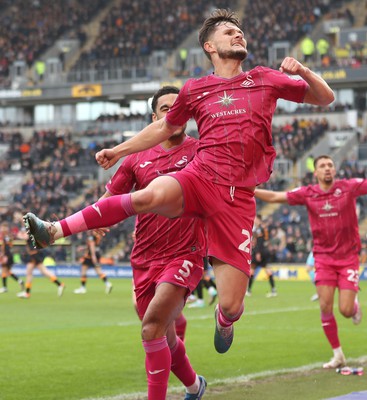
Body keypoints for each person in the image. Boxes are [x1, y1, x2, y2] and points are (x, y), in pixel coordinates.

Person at [23, 9, 334, 358]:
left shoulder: (265, 78)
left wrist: (304, 71)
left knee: (232, 305)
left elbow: (325, 98)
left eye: (240, 31)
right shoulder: (195, 89)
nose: (238, 35)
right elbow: (162, 128)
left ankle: (225, 319)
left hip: (237, 201)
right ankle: (53, 230)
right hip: (200, 178)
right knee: (146, 196)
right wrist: (118, 150)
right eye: (229, 32)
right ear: (209, 46)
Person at [95, 86, 207, 399]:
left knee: (151, 329)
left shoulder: (201, 151)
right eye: (166, 108)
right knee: (165, 339)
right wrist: (95, 222)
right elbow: (110, 199)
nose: (174, 112)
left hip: (186, 253)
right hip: (145, 257)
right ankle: (195, 386)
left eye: (178, 107)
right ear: (155, 117)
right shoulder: (136, 159)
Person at [254, 155, 363, 369]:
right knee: (324, 305)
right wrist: (249, 190)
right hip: (323, 258)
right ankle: (338, 354)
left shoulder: (348, 187)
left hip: (348, 257)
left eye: (330, 165)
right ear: (316, 172)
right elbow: (276, 197)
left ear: (335, 169)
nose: (327, 168)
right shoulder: (308, 193)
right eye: (322, 166)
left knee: (346, 310)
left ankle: (354, 306)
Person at [247, 214, 277, 298]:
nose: (254, 220)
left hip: (261, 252)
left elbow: (260, 241)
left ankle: (248, 290)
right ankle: (274, 290)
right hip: (265, 251)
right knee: (268, 270)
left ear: (259, 220)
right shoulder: (264, 228)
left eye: (256, 219)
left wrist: (258, 253)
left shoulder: (260, 229)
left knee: (252, 270)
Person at [0, 222, 24, 294]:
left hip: (7, 255)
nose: (2, 229)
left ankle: (5, 287)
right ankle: (19, 281)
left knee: (4, 271)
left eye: (3, 227)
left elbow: (6, 247)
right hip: (7, 255)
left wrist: (3, 255)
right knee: (6, 271)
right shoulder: (6, 236)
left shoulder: (6, 236)